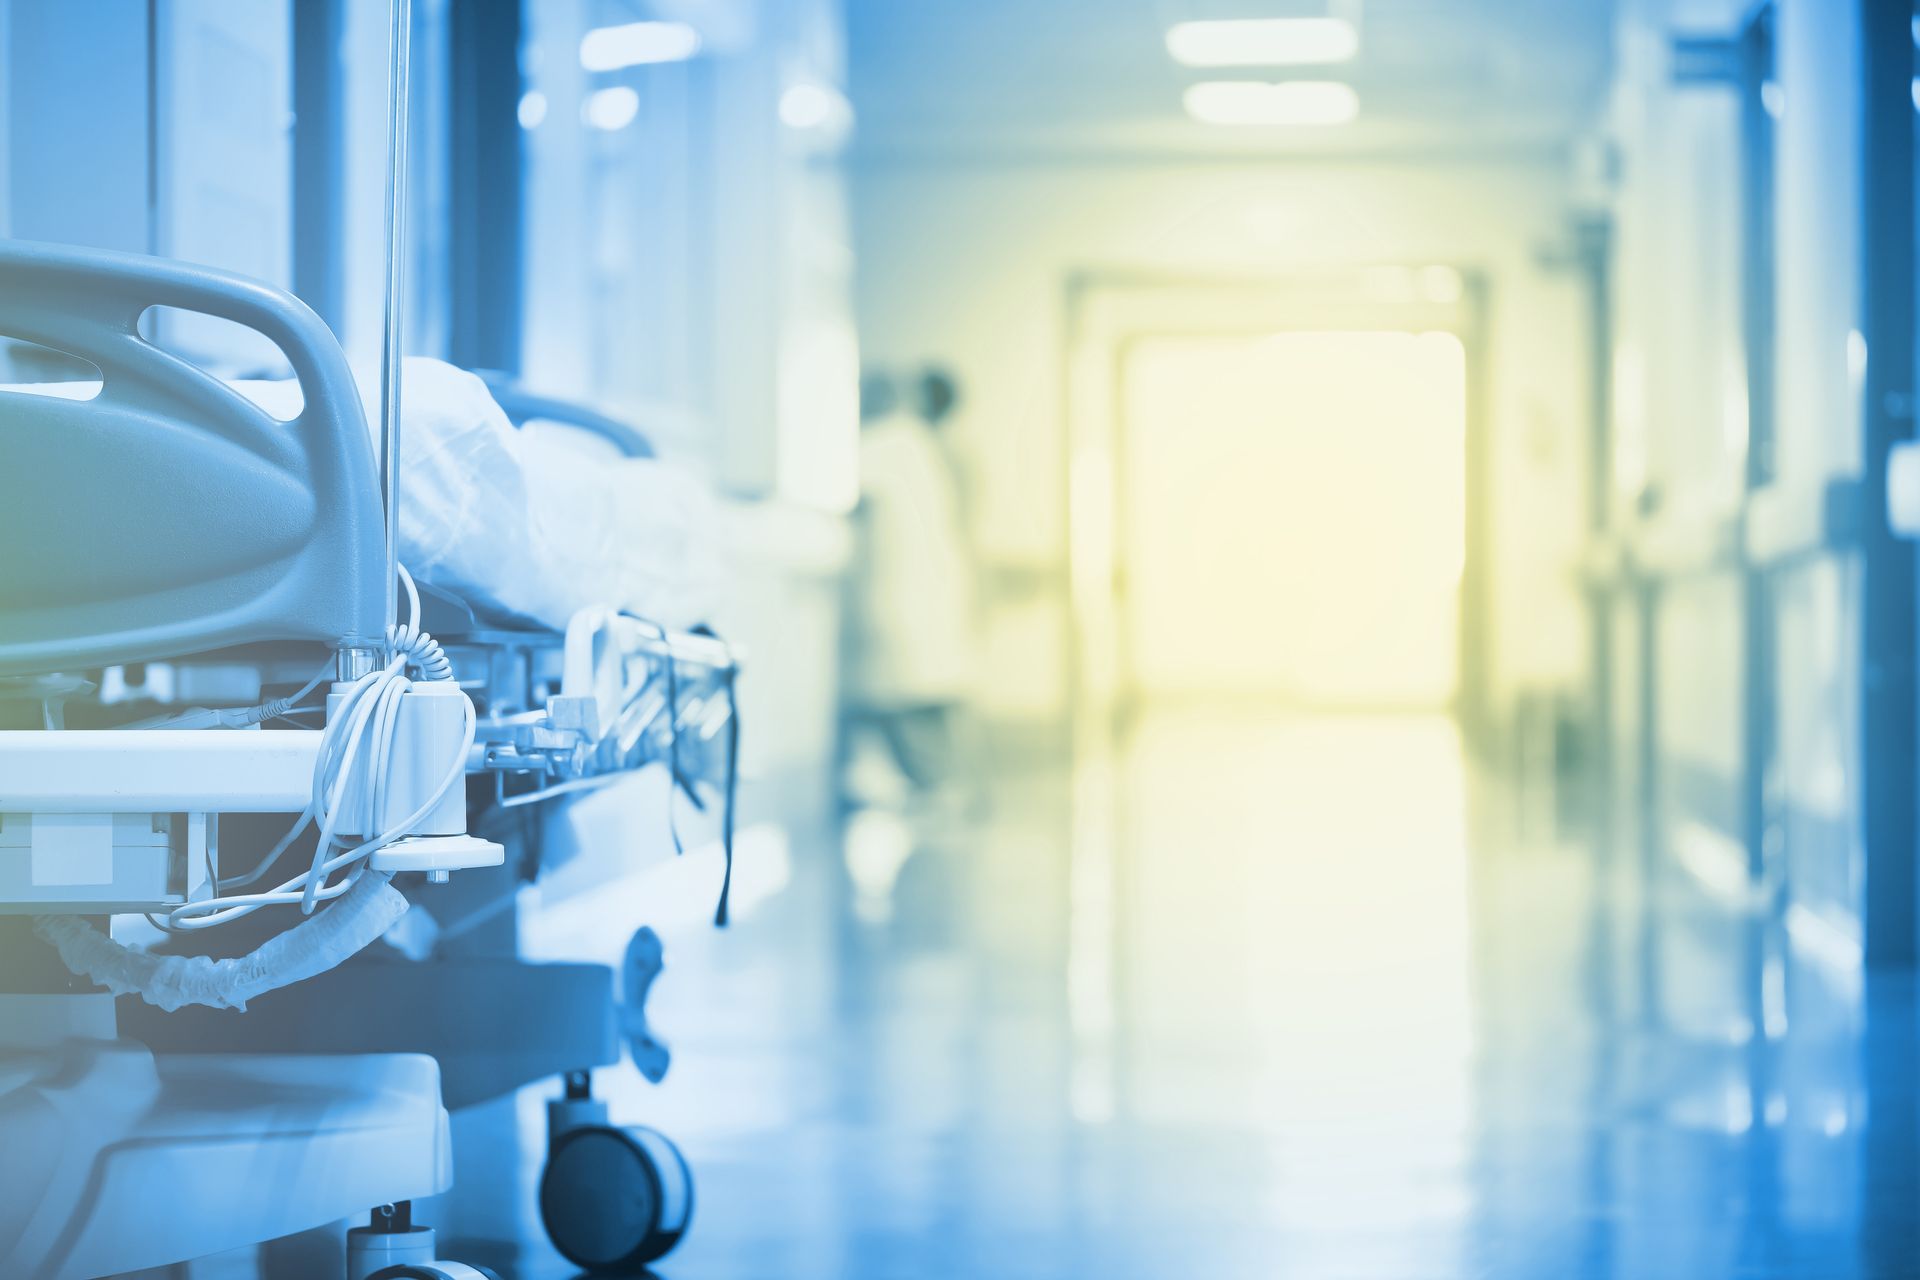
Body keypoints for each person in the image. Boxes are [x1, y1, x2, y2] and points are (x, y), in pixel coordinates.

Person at [842, 366, 978, 797]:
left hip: (904, 597)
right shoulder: (923, 448)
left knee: (904, 699)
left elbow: (838, 489)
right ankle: (941, 786)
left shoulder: (889, 446)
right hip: (929, 593)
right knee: (919, 698)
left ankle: (937, 787)